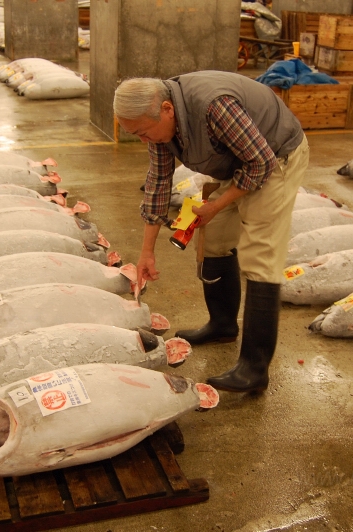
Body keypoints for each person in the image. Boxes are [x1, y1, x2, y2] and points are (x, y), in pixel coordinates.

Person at [113, 72, 309, 394]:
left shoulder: (214, 106)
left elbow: (260, 163)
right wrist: (146, 252)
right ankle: (223, 325)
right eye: (136, 135)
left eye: (144, 133)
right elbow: (159, 182)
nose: (144, 141)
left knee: (260, 256)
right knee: (214, 240)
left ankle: (255, 368)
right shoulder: (160, 128)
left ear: (166, 109)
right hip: (240, 161)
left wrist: (216, 206)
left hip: (276, 159)